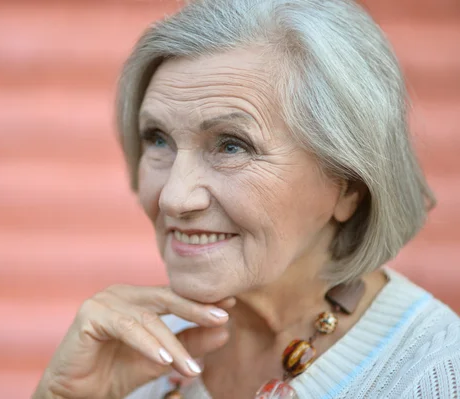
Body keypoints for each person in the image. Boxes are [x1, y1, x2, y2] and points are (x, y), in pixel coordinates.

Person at [32, 0, 460, 397]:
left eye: (232, 145)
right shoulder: (130, 357)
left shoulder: (433, 373)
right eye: (157, 139)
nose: (174, 198)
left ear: (348, 185)